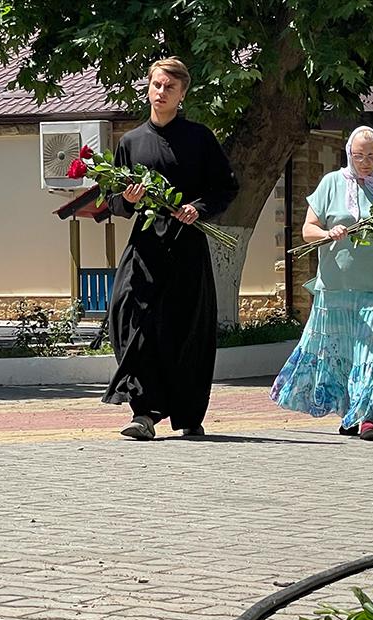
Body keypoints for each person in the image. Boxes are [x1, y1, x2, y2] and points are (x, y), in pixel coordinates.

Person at [102, 58, 239, 440]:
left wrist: (199, 207)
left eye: (169, 88)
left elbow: (225, 187)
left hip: (186, 248)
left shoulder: (200, 138)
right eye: (157, 85)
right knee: (128, 319)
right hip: (145, 248)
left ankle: (187, 413)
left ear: (182, 95)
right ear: (148, 87)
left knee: (185, 330)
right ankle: (143, 412)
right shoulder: (130, 142)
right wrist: (127, 201)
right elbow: (112, 201)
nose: (161, 93)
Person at [270, 126, 373, 441]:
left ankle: (367, 418)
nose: (365, 161)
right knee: (340, 355)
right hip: (335, 287)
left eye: (372, 155)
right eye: (359, 155)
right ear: (348, 153)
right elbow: (308, 230)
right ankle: (349, 413)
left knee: (370, 353)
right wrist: (328, 233)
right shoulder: (330, 183)